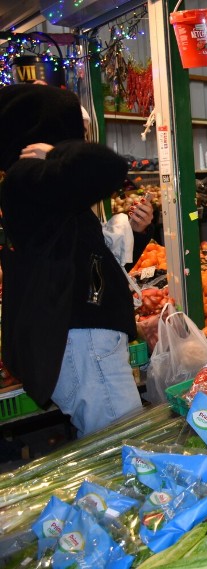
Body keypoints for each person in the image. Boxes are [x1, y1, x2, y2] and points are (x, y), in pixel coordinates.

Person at [0, 84, 150, 436]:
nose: (83, 133)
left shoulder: (35, 183)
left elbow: (79, 248)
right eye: (74, 124)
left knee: (112, 444)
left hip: (83, 338)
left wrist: (138, 236)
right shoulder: (28, 176)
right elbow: (109, 167)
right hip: (82, 341)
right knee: (121, 448)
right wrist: (58, 153)